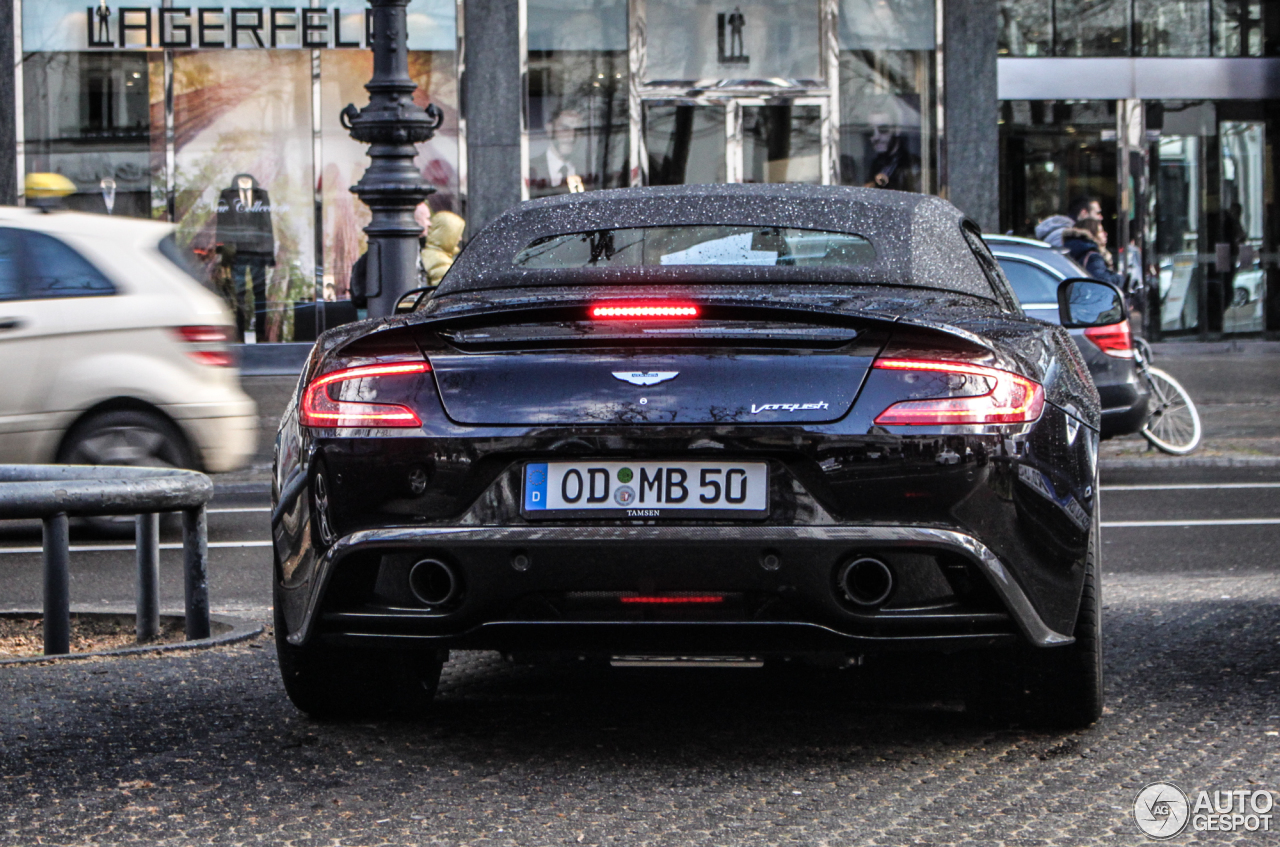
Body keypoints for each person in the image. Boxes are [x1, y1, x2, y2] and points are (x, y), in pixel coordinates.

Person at [216, 173, 275, 342]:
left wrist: (269, 252)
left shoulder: (261, 194)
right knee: (238, 294)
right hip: (236, 252)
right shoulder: (227, 194)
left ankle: (261, 334)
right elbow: (222, 221)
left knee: (260, 294)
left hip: (258, 251)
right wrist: (222, 251)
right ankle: (239, 334)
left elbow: (267, 223)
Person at [528, 110, 586, 198]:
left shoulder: (586, 169)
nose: (572, 137)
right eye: (565, 129)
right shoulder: (530, 169)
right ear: (550, 129)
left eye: (578, 131)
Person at [863, 103, 919, 192]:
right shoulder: (875, 164)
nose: (876, 137)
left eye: (883, 129)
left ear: (897, 130)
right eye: (870, 131)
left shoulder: (911, 164)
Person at [1062, 218, 1124, 286]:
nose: (1105, 234)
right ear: (1092, 234)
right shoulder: (1093, 256)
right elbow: (1102, 281)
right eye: (1100, 231)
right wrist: (1118, 278)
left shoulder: (1070, 250)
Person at [1035, 195, 1103, 248]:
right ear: (1084, 213)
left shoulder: (1062, 232)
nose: (1100, 218)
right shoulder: (1064, 236)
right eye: (1097, 213)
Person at [419, 211, 466, 286]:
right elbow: (448, 289)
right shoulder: (440, 260)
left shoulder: (431, 253)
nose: (460, 238)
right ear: (447, 235)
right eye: (457, 234)